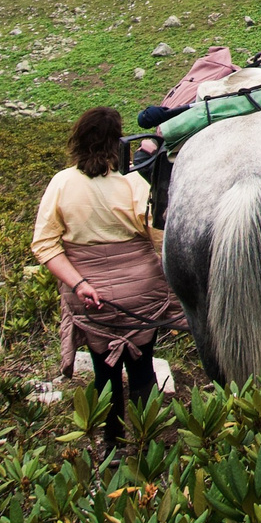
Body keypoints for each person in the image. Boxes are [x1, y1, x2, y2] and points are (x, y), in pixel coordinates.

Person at [31, 107, 187, 440]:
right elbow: (159, 241)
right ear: (117, 141)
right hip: (141, 292)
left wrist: (80, 284)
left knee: (105, 373)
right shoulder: (133, 184)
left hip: (92, 296)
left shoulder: (61, 183)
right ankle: (147, 441)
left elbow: (44, 246)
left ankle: (112, 447)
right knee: (142, 368)